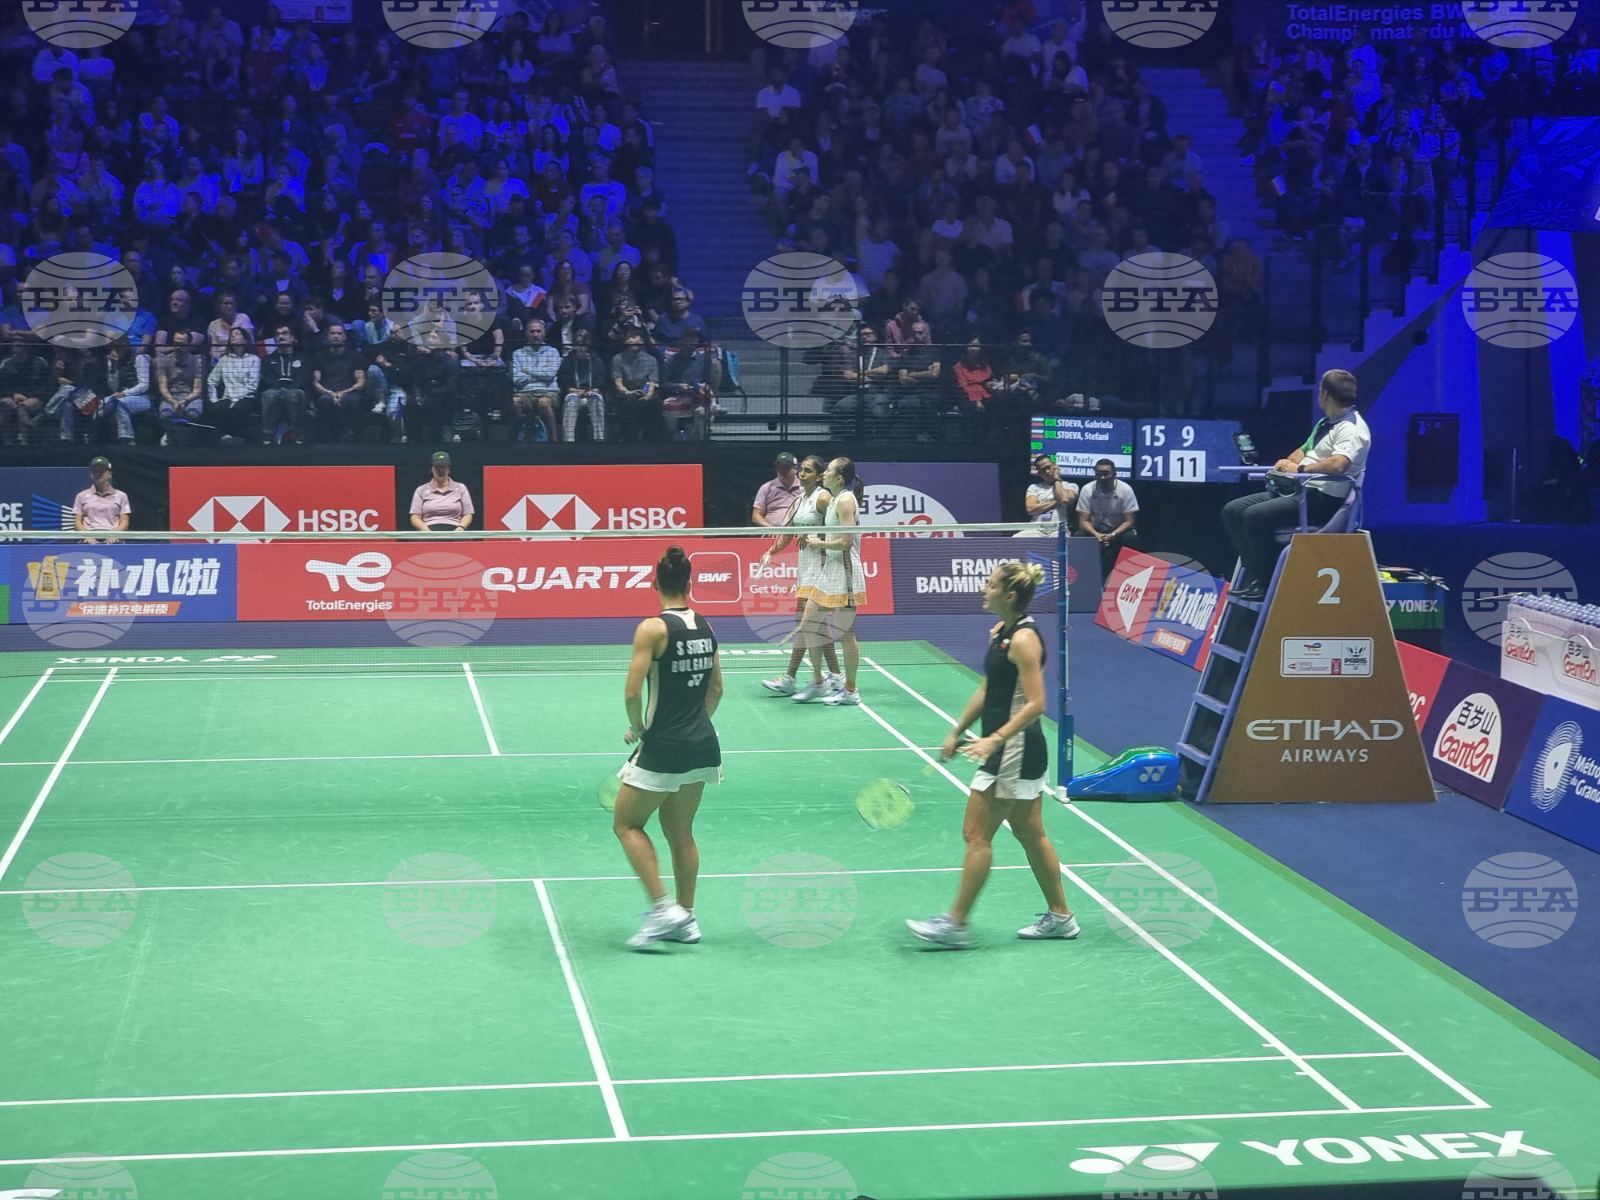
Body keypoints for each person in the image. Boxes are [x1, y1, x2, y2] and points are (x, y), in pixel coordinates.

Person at [906, 562, 1079, 950]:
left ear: (1010, 595)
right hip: (1011, 747)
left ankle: (955, 923)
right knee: (1030, 832)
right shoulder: (1002, 631)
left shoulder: (1024, 640)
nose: (984, 590)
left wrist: (994, 739)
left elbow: (1037, 703)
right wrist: (958, 729)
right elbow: (988, 690)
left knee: (976, 834)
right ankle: (1061, 917)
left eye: (990, 585)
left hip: (1014, 749)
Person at [614, 545, 725, 950]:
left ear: (654, 583)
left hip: (664, 746)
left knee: (626, 824)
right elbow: (716, 689)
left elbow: (632, 692)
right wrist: (694, 725)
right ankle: (687, 918)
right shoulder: (707, 627)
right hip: (702, 744)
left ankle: (663, 910)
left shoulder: (652, 629)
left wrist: (638, 728)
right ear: (690, 584)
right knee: (681, 833)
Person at [1220, 368, 1370, 599]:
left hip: (1321, 501)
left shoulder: (1351, 428)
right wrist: (1287, 463)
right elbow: (1304, 450)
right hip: (1300, 492)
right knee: (1232, 511)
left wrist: (1299, 470)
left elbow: (1339, 464)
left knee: (1254, 516)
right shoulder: (1325, 424)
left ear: (1325, 395)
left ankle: (1269, 584)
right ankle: (1257, 572)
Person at [759, 455, 844, 698]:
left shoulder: (824, 498)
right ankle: (835, 676)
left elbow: (839, 530)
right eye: (802, 470)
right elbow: (787, 534)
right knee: (816, 624)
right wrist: (770, 551)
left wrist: (819, 539)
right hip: (806, 567)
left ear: (819, 476)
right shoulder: (798, 501)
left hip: (823, 566)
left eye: (808, 470)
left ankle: (791, 677)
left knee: (806, 622)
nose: (802, 474)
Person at [796, 457, 866, 706]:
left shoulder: (846, 500)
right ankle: (818, 681)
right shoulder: (834, 498)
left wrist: (819, 543)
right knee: (808, 623)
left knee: (846, 633)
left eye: (828, 471)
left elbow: (847, 541)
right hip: (830, 570)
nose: (823, 473)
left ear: (839, 478)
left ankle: (850, 690)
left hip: (845, 571)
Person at [1075, 459, 1139, 577]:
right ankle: (1082, 577)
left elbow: (1129, 521)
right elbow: (1083, 521)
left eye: (1106, 474)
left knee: (1130, 538)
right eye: (1099, 474)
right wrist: (1097, 534)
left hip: (1118, 531)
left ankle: (1127, 576)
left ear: (1114, 474)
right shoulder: (1087, 489)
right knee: (1079, 536)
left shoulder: (1125, 490)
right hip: (1095, 531)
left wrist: (1112, 535)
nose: (1102, 478)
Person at [409, 451, 475, 533]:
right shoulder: (421, 490)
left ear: (448, 469)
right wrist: (425, 530)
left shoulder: (461, 488)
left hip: (455, 529)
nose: (440, 470)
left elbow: (468, 514)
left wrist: (461, 528)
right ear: (432, 469)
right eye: (437, 467)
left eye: (444, 466)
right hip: (428, 529)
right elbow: (415, 517)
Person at [1018, 454, 1079, 536]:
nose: (1047, 471)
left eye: (1048, 467)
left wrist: (1056, 479)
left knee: (1060, 538)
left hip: (1059, 529)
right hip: (1036, 529)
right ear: (1038, 473)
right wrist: (1056, 503)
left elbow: (1064, 499)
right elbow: (1030, 509)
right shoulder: (1034, 488)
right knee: (1017, 538)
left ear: (1055, 466)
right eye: (1043, 470)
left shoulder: (1070, 486)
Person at [74, 456, 131, 543]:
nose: (98, 474)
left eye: (102, 471)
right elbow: (77, 521)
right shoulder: (81, 496)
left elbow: (124, 521)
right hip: (89, 536)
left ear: (109, 474)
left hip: (113, 536)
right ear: (92, 475)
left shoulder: (121, 496)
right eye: (95, 471)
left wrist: (115, 534)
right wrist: (87, 535)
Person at [751, 452, 803, 527]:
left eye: (786, 467)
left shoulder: (804, 488)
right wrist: (772, 529)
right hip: (771, 531)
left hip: (798, 531)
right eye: (779, 467)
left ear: (795, 469)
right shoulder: (766, 488)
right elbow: (756, 516)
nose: (782, 471)